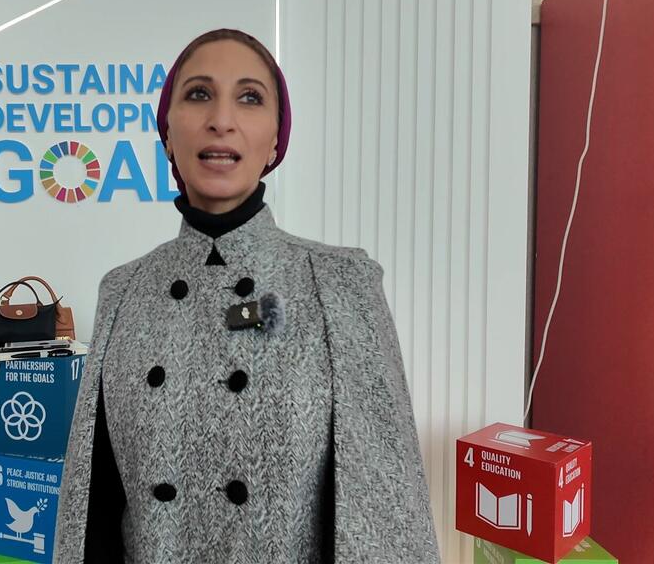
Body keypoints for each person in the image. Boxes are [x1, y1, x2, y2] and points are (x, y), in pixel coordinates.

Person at [54, 28, 439, 563]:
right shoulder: (123, 290)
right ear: (167, 133)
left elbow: (383, 510)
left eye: (250, 97)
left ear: (276, 140)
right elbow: (89, 511)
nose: (221, 118)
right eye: (198, 94)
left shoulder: (341, 283)